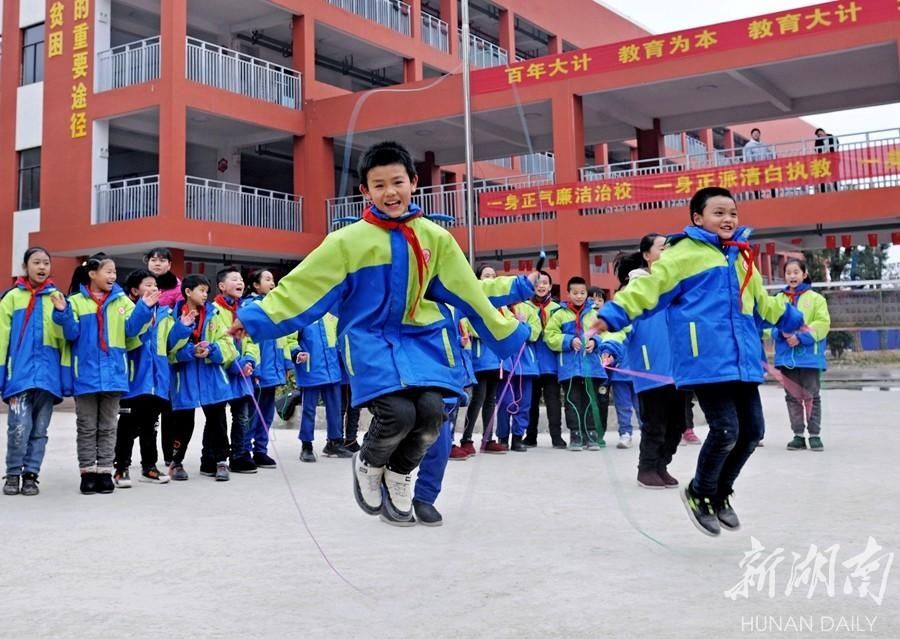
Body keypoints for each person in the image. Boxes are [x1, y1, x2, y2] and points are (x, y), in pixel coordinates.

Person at [233, 141, 532, 526]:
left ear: (413, 182)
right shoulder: (347, 241)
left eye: (397, 182)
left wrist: (506, 331)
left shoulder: (436, 239)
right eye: (379, 185)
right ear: (365, 191)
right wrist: (255, 317)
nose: (390, 192)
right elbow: (302, 286)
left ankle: (401, 474)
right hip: (369, 339)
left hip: (422, 339)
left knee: (431, 413)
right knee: (397, 412)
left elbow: (468, 290)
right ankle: (370, 463)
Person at [593, 187, 804, 536]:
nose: (727, 219)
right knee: (725, 430)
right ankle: (700, 492)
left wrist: (792, 319)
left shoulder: (740, 257)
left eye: (732, 213)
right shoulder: (683, 255)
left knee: (752, 433)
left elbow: (763, 304)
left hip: (742, 360)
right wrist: (613, 313)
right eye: (718, 212)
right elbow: (650, 287)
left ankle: (720, 494)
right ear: (697, 218)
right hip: (706, 361)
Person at [52, 253, 155, 495]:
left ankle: (105, 471)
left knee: (109, 426)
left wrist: (144, 308)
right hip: (85, 374)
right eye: (108, 271)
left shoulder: (122, 302)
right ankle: (88, 471)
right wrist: (63, 313)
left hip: (114, 373)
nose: (112, 276)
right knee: (87, 426)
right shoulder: (76, 301)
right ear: (92, 274)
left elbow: (132, 331)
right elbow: (71, 334)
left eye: (114, 273)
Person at [613, 235, 690, 489]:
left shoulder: (675, 286)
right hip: (650, 369)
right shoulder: (634, 289)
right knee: (655, 423)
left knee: (678, 424)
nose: (668, 251)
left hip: (678, 369)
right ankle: (646, 468)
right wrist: (609, 346)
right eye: (662, 247)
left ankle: (661, 465)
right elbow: (618, 323)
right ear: (647, 255)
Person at [113, 269, 191, 487]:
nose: (153, 289)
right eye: (147, 285)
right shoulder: (127, 309)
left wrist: (183, 329)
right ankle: (121, 468)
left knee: (150, 425)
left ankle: (149, 467)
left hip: (158, 381)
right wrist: (143, 309)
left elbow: (169, 345)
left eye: (155, 286)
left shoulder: (165, 314)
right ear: (135, 291)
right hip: (134, 379)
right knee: (127, 425)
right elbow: (130, 332)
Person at [1, 248, 69, 496]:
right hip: (18, 377)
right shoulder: (11, 298)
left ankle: (31, 475)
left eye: (46, 263)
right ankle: (12, 473)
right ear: (25, 266)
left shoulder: (58, 298)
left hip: (48, 378)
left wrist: (63, 313)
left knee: (39, 431)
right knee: (18, 427)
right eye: (36, 262)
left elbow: (69, 337)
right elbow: (1, 339)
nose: (42, 267)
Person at [168, 274, 238, 482]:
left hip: (211, 376)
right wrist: (189, 351)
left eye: (207, 291)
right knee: (183, 422)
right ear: (188, 292)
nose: (205, 295)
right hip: (185, 377)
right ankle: (176, 462)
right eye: (201, 290)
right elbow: (168, 349)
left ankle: (220, 462)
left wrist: (212, 350)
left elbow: (228, 345)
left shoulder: (214, 314)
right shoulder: (171, 316)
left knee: (217, 419)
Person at [544, 277, 618, 451]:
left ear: (587, 294)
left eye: (582, 293)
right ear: (568, 293)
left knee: (591, 400)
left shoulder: (594, 314)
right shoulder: (560, 314)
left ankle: (591, 434)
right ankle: (575, 434)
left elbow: (605, 334)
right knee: (572, 400)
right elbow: (550, 335)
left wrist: (596, 342)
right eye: (575, 293)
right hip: (569, 368)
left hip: (591, 366)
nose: (579, 296)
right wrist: (569, 341)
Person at [771, 259, 831, 451]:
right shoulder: (778, 299)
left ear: (804, 274)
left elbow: (823, 324)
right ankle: (797, 434)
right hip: (786, 358)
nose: (792, 276)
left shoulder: (816, 299)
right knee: (792, 397)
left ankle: (814, 435)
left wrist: (800, 337)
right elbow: (769, 323)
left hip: (809, 358)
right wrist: (781, 333)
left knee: (812, 395)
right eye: (788, 272)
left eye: (796, 272)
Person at [213, 266, 259, 474]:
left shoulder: (246, 310)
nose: (239, 282)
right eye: (234, 279)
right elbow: (220, 339)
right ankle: (213, 457)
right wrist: (234, 362)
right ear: (222, 286)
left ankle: (240, 455)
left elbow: (252, 339)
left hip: (243, 371)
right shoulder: (214, 310)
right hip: (223, 370)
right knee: (217, 418)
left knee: (242, 415)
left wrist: (249, 360)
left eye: (241, 279)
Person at [242, 270, 290, 469]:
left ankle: (261, 450)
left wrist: (286, 365)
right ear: (255, 285)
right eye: (268, 279)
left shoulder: (275, 307)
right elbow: (249, 341)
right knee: (252, 413)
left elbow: (284, 338)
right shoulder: (250, 308)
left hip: (274, 369)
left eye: (273, 280)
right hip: (258, 371)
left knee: (267, 414)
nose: (272, 283)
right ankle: (243, 450)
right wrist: (255, 368)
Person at [452, 264, 500, 459]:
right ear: (477, 278)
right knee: (477, 400)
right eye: (486, 275)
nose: (490, 278)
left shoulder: (499, 303)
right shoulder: (471, 301)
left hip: (496, 361)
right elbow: (472, 327)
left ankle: (488, 439)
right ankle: (467, 438)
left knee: (490, 401)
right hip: (478, 360)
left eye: (493, 275)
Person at [290, 313, 350, 462]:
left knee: (335, 409)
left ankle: (334, 442)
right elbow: (290, 340)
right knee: (309, 410)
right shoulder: (302, 314)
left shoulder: (332, 316)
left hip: (333, 371)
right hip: (312, 371)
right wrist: (297, 353)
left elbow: (339, 339)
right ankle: (306, 446)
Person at [485, 301, 541, 453]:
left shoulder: (529, 309)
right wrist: (515, 326)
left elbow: (535, 333)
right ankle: (502, 437)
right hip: (506, 361)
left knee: (524, 403)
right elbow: (498, 330)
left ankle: (518, 437)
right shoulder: (498, 307)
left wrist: (522, 326)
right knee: (505, 402)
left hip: (526, 363)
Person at [144, 247, 182, 470]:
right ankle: (146, 460)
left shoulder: (178, 290)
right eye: (153, 259)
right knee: (146, 411)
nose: (157, 263)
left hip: (168, 357)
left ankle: (170, 456)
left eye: (162, 260)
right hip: (144, 358)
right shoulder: (142, 285)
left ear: (169, 263)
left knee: (169, 409)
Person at [524, 271, 565, 449]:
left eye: (545, 283)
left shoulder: (558, 309)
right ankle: (530, 435)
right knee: (530, 402)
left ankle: (556, 436)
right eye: (537, 283)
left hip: (551, 363)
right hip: (530, 363)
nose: (541, 286)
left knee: (553, 401)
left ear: (550, 286)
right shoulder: (523, 307)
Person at [743, 128, 776, 199]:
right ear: (751, 135)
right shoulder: (748, 145)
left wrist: (771, 162)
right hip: (755, 167)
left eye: (757, 134)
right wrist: (752, 165)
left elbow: (768, 154)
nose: (756, 135)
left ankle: (773, 196)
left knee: (770, 180)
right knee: (756, 182)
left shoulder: (763, 144)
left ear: (759, 135)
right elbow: (748, 157)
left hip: (765, 166)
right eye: (755, 134)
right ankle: (757, 197)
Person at [814, 128, 839, 193]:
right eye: (819, 135)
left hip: (832, 158)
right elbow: (816, 149)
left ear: (824, 131)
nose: (820, 135)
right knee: (822, 176)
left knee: (834, 175)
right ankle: (823, 192)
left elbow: (837, 145)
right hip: (823, 160)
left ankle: (837, 190)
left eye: (821, 133)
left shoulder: (832, 137)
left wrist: (830, 151)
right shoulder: (818, 140)